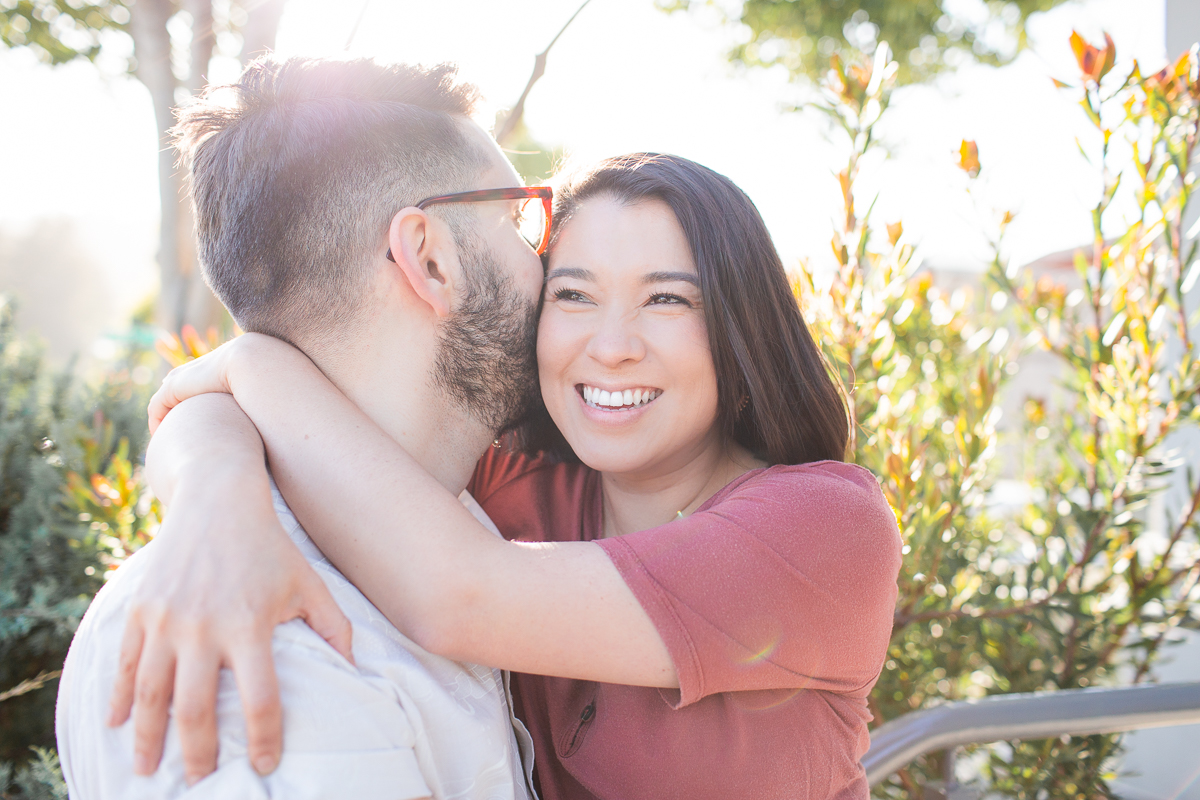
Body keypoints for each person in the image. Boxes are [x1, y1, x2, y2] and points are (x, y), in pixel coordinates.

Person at [112, 150, 903, 798]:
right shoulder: (510, 487)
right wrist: (213, 506)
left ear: (739, 328)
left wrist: (253, 361)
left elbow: (461, 596)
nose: (613, 345)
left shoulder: (827, 528)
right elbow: (204, 410)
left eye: (666, 300)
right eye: (574, 295)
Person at [55, 55, 548, 799]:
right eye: (518, 220)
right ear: (430, 260)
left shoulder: (460, 511)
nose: (548, 262)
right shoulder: (258, 648)